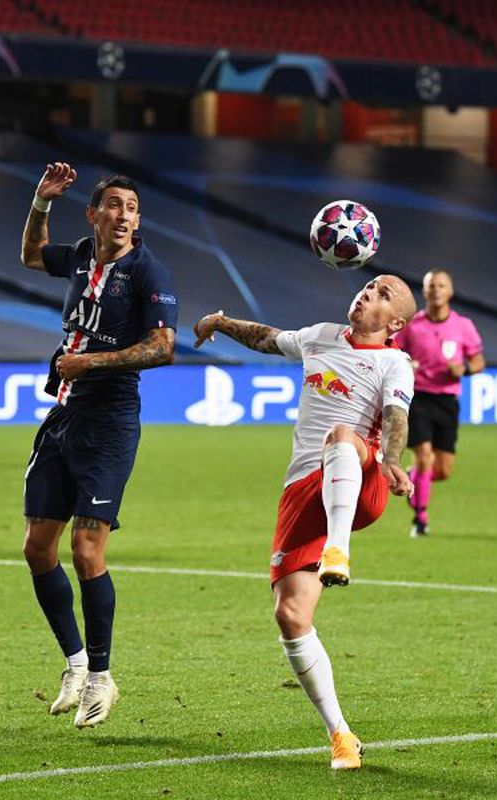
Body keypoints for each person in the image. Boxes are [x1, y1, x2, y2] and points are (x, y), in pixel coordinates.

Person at [192, 275, 416, 771]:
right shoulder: (320, 336)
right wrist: (222, 323)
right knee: (291, 618)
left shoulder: (394, 361)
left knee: (340, 433)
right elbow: (270, 338)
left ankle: (338, 550)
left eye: (382, 294)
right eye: (368, 286)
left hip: (363, 477)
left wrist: (394, 461)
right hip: (303, 491)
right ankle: (341, 735)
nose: (367, 293)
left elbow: (396, 417)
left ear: (396, 322)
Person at [19, 163, 178, 729]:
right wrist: (41, 202)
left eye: (132, 209)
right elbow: (33, 256)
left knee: (87, 551)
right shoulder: (83, 254)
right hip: (64, 413)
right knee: (38, 548)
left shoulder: (146, 271)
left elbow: (162, 348)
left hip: (110, 422)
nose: (123, 216)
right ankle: (76, 663)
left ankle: (103, 679)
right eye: (114, 205)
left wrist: (93, 361)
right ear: (94, 214)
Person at [392, 269, 483, 537]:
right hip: (417, 396)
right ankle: (420, 519)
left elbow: (478, 361)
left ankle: (415, 478)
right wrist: (406, 363)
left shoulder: (463, 326)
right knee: (424, 457)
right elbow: (392, 351)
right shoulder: (412, 325)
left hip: (447, 400)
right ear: (425, 291)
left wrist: (464, 370)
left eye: (441, 285)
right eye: (431, 285)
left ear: (450, 292)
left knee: (442, 470)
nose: (436, 290)